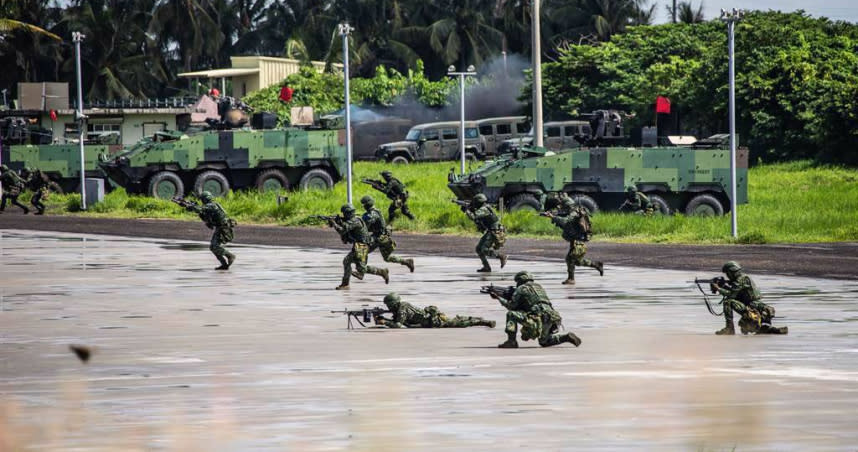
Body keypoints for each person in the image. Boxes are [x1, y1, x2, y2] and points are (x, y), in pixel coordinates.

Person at [489, 271, 581, 348]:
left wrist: (498, 298)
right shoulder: (539, 287)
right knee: (544, 342)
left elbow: (512, 306)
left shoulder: (521, 288)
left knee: (511, 314)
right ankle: (566, 337)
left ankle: (511, 341)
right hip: (552, 317)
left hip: (537, 318)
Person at [712, 261, 788, 335]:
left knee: (728, 302)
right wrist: (724, 286)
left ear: (732, 272)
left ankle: (729, 329)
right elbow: (735, 291)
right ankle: (766, 328)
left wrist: (718, 288)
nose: (728, 276)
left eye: (728, 273)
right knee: (761, 328)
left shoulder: (741, 279)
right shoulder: (743, 278)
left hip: (752, 306)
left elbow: (732, 294)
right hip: (754, 306)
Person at [326, 203, 389, 290]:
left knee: (359, 267)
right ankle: (345, 284)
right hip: (359, 245)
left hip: (362, 246)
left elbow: (342, 231)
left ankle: (382, 272)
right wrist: (337, 221)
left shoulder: (355, 221)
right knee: (349, 262)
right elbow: (345, 226)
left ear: (349, 213)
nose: (344, 215)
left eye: (345, 213)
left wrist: (334, 224)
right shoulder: (353, 220)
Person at [544, 197, 604, 285]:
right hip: (576, 240)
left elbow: (566, 222)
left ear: (567, 205)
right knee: (577, 261)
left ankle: (571, 279)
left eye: (563, 206)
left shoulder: (574, 213)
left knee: (570, 259)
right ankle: (596, 265)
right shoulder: (573, 212)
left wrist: (553, 217)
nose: (561, 208)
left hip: (579, 241)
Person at [180, 191, 236, 270]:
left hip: (223, 228)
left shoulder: (212, 205)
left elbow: (200, 209)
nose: (202, 201)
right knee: (212, 247)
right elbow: (201, 212)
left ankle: (230, 256)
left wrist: (189, 205)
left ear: (205, 199)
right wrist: (187, 205)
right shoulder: (210, 205)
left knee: (215, 246)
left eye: (202, 199)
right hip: (220, 228)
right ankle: (224, 264)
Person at [376, 292, 495, 328]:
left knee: (460, 322)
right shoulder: (401, 307)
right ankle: (479, 320)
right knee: (458, 321)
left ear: (393, 303)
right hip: (429, 321)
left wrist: (384, 322)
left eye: (388, 304)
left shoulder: (403, 308)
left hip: (435, 321)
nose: (388, 307)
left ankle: (483, 322)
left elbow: (398, 325)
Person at [360, 195, 414, 272]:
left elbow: (366, 224)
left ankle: (362, 270)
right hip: (381, 237)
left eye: (364, 204)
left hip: (379, 237)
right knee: (387, 258)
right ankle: (407, 262)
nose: (363, 206)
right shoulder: (372, 212)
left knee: (363, 250)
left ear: (368, 204)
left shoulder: (373, 213)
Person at [462, 193, 507, 272]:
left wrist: (467, 210)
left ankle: (501, 256)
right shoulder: (484, 208)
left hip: (494, 231)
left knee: (484, 249)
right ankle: (486, 267)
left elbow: (473, 217)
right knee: (478, 249)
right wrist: (469, 209)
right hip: (491, 230)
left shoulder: (484, 209)